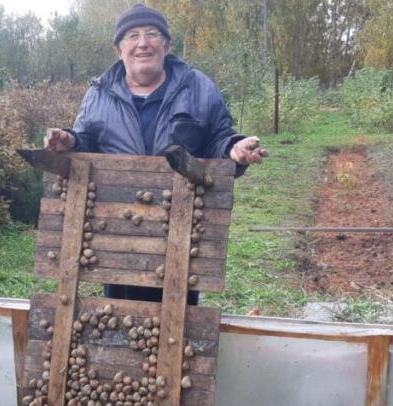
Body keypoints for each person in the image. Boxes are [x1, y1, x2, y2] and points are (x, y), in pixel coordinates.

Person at [43, 3, 269, 304]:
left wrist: (233, 148)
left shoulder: (199, 88)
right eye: (133, 36)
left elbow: (218, 137)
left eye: (152, 34)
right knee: (118, 313)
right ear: (119, 49)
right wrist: (69, 141)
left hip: (180, 226)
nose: (143, 43)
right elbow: (86, 143)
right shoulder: (98, 94)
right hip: (116, 230)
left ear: (167, 45)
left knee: (178, 320)